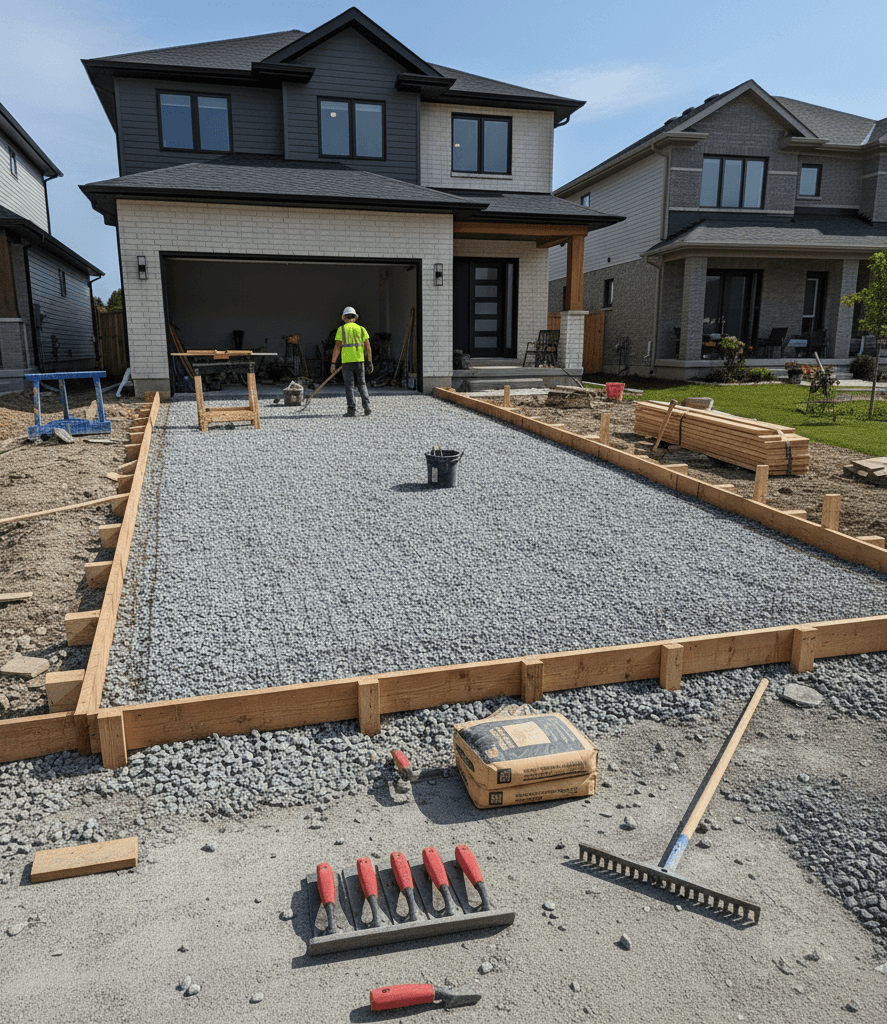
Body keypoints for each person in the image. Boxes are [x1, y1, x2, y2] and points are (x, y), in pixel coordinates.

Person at [331, 306, 373, 417]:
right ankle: (367, 407)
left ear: (344, 318)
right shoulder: (362, 329)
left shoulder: (342, 329)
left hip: (347, 362)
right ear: (355, 318)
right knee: (362, 384)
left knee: (349, 386)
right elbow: (368, 347)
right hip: (359, 361)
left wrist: (333, 363)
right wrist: (369, 361)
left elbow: (337, 347)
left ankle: (351, 410)